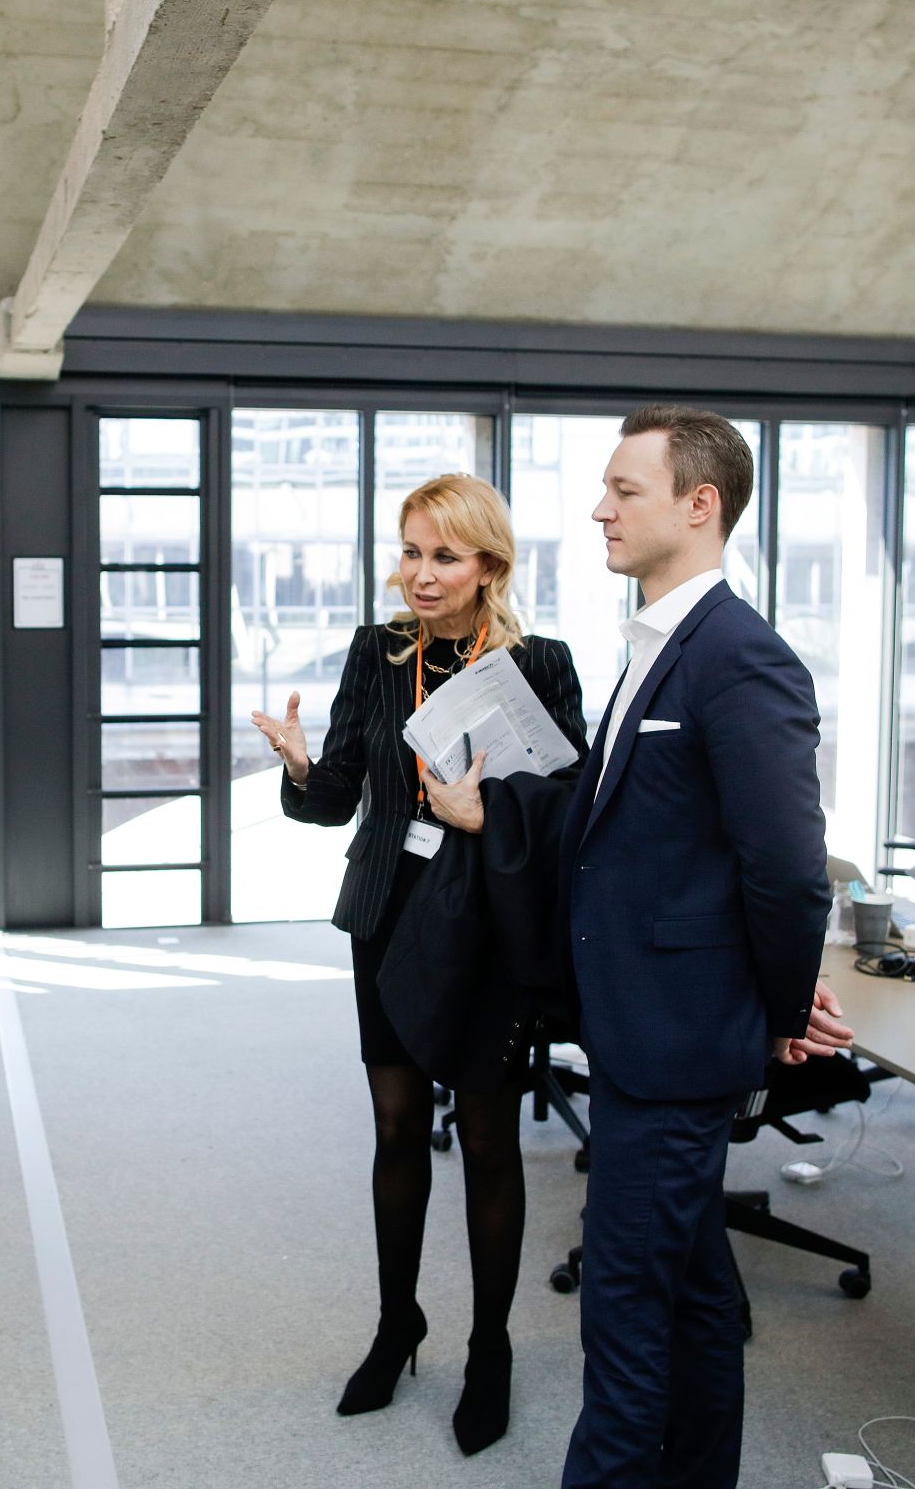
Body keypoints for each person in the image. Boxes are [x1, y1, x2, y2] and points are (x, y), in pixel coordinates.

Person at [251, 473, 589, 1457]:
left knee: (484, 1135)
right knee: (396, 1125)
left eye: (443, 555)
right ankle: (398, 1322)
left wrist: (488, 812)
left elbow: (568, 803)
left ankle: (490, 1347)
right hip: (388, 913)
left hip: (486, 920)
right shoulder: (374, 650)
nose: (419, 573)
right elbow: (339, 801)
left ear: (488, 565)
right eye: (408, 551)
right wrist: (300, 765)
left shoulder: (541, 661)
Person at [555, 406, 854, 1488]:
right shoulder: (651, 643)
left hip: (677, 1042)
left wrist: (779, 1008)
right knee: (687, 1297)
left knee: (626, 1314)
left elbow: (780, 865)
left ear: (699, 503)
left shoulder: (740, 658)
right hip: (640, 1020)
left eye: (623, 489)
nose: (599, 506)